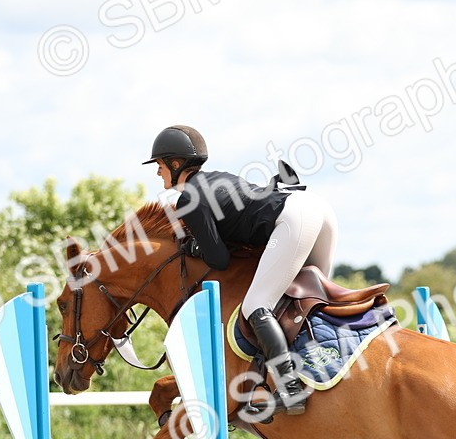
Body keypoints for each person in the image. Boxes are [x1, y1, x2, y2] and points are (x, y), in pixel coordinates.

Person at [144, 125, 337, 417]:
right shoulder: (219, 178)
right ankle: (327, 360)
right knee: (309, 300)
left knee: (256, 306)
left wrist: (194, 249)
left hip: (294, 218)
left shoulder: (189, 200)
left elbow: (219, 259)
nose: (158, 173)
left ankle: (290, 388)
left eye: (159, 165)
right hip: (319, 210)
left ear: (175, 163)